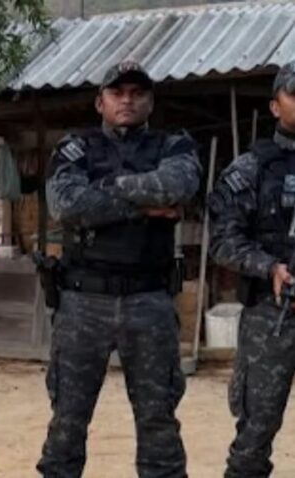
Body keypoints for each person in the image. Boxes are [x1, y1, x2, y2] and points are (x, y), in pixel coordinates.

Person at [37, 60, 201, 478]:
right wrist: (145, 205)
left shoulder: (174, 146)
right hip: (83, 302)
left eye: (137, 93)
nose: (127, 100)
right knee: (67, 424)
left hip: (149, 300)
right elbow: (66, 204)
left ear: (150, 102)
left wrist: (107, 190)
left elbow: (178, 185)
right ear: (100, 102)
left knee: (159, 423)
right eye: (117, 93)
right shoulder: (76, 148)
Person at [209, 60, 295, 478]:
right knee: (255, 435)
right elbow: (223, 242)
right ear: (275, 106)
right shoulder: (251, 169)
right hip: (273, 316)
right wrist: (269, 267)